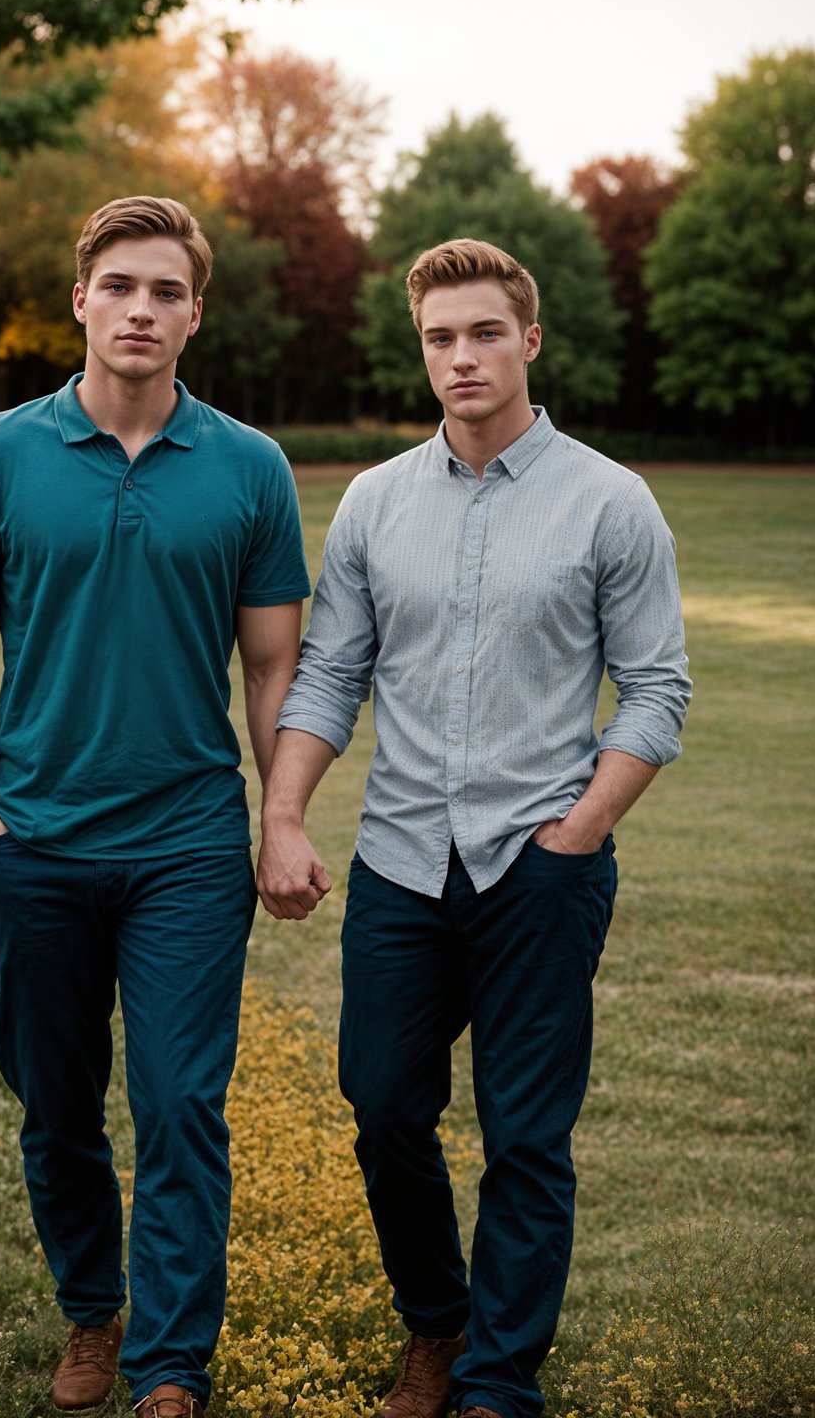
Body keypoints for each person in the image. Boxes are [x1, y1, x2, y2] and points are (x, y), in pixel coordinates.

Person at [256, 238, 691, 1418]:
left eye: (484, 332)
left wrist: (582, 832)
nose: (461, 356)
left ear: (529, 341)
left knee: (525, 1137)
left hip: (539, 863)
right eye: (441, 337)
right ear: (423, 349)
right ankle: (437, 1326)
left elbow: (655, 689)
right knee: (385, 1106)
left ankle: (499, 1379)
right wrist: (282, 813)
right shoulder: (373, 501)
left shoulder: (609, 499)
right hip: (400, 860)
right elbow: (329, 673)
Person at [0, 196, 310, 1418]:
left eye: (168, 292)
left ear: (197, 313)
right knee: (58, 1101)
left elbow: (273, 666)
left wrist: (275, 815)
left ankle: (169, 1363)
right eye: (122, 287)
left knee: (184, 1105)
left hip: (188, 844)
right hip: (33, 840)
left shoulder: (249, 466)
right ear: (81, 300)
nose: (143, 310)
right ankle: (92, 1312)